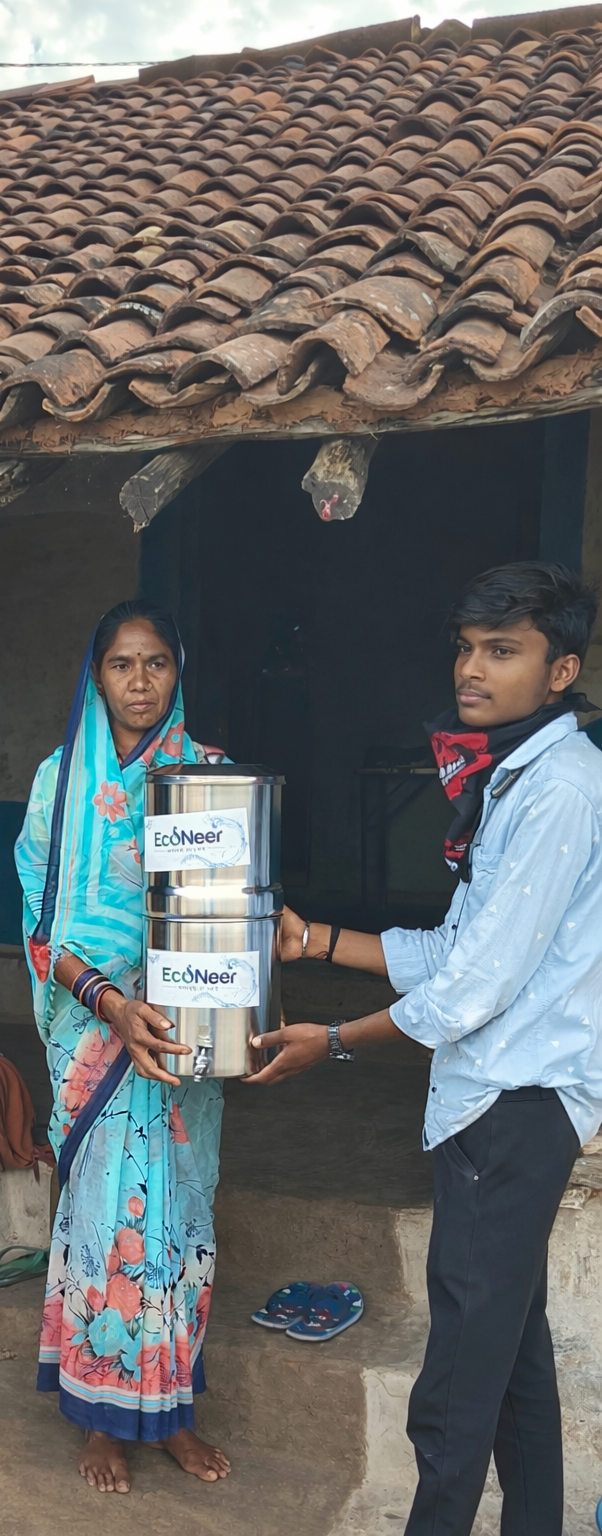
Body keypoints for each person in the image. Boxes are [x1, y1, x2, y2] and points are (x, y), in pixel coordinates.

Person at [250, 562, 602, 1536]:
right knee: (514, 1366)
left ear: (560, 669)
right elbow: (452, 949)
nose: (471, 669)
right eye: (465, 646)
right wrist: (315, 941)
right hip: (494, 1107)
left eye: (502, 650)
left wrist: (332, 1038)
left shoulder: (560, 792)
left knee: (451, 1398)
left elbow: (471, 989)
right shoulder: (516, 774)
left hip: (514, 1111)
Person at [15, 598, 230, 1495]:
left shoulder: (212, 780)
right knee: (103, 1224)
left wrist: (204, 1009)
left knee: (178, 1221)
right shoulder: (59, 783)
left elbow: (234, 912)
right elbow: (36, 922)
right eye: (121, 665)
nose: (140, 683)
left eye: (157, 665)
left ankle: (171, 1409)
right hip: (96, 1040)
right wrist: (107, 1002)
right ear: (94, 675)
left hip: (181, 1038)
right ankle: (98, 1419)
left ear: (179, 674)